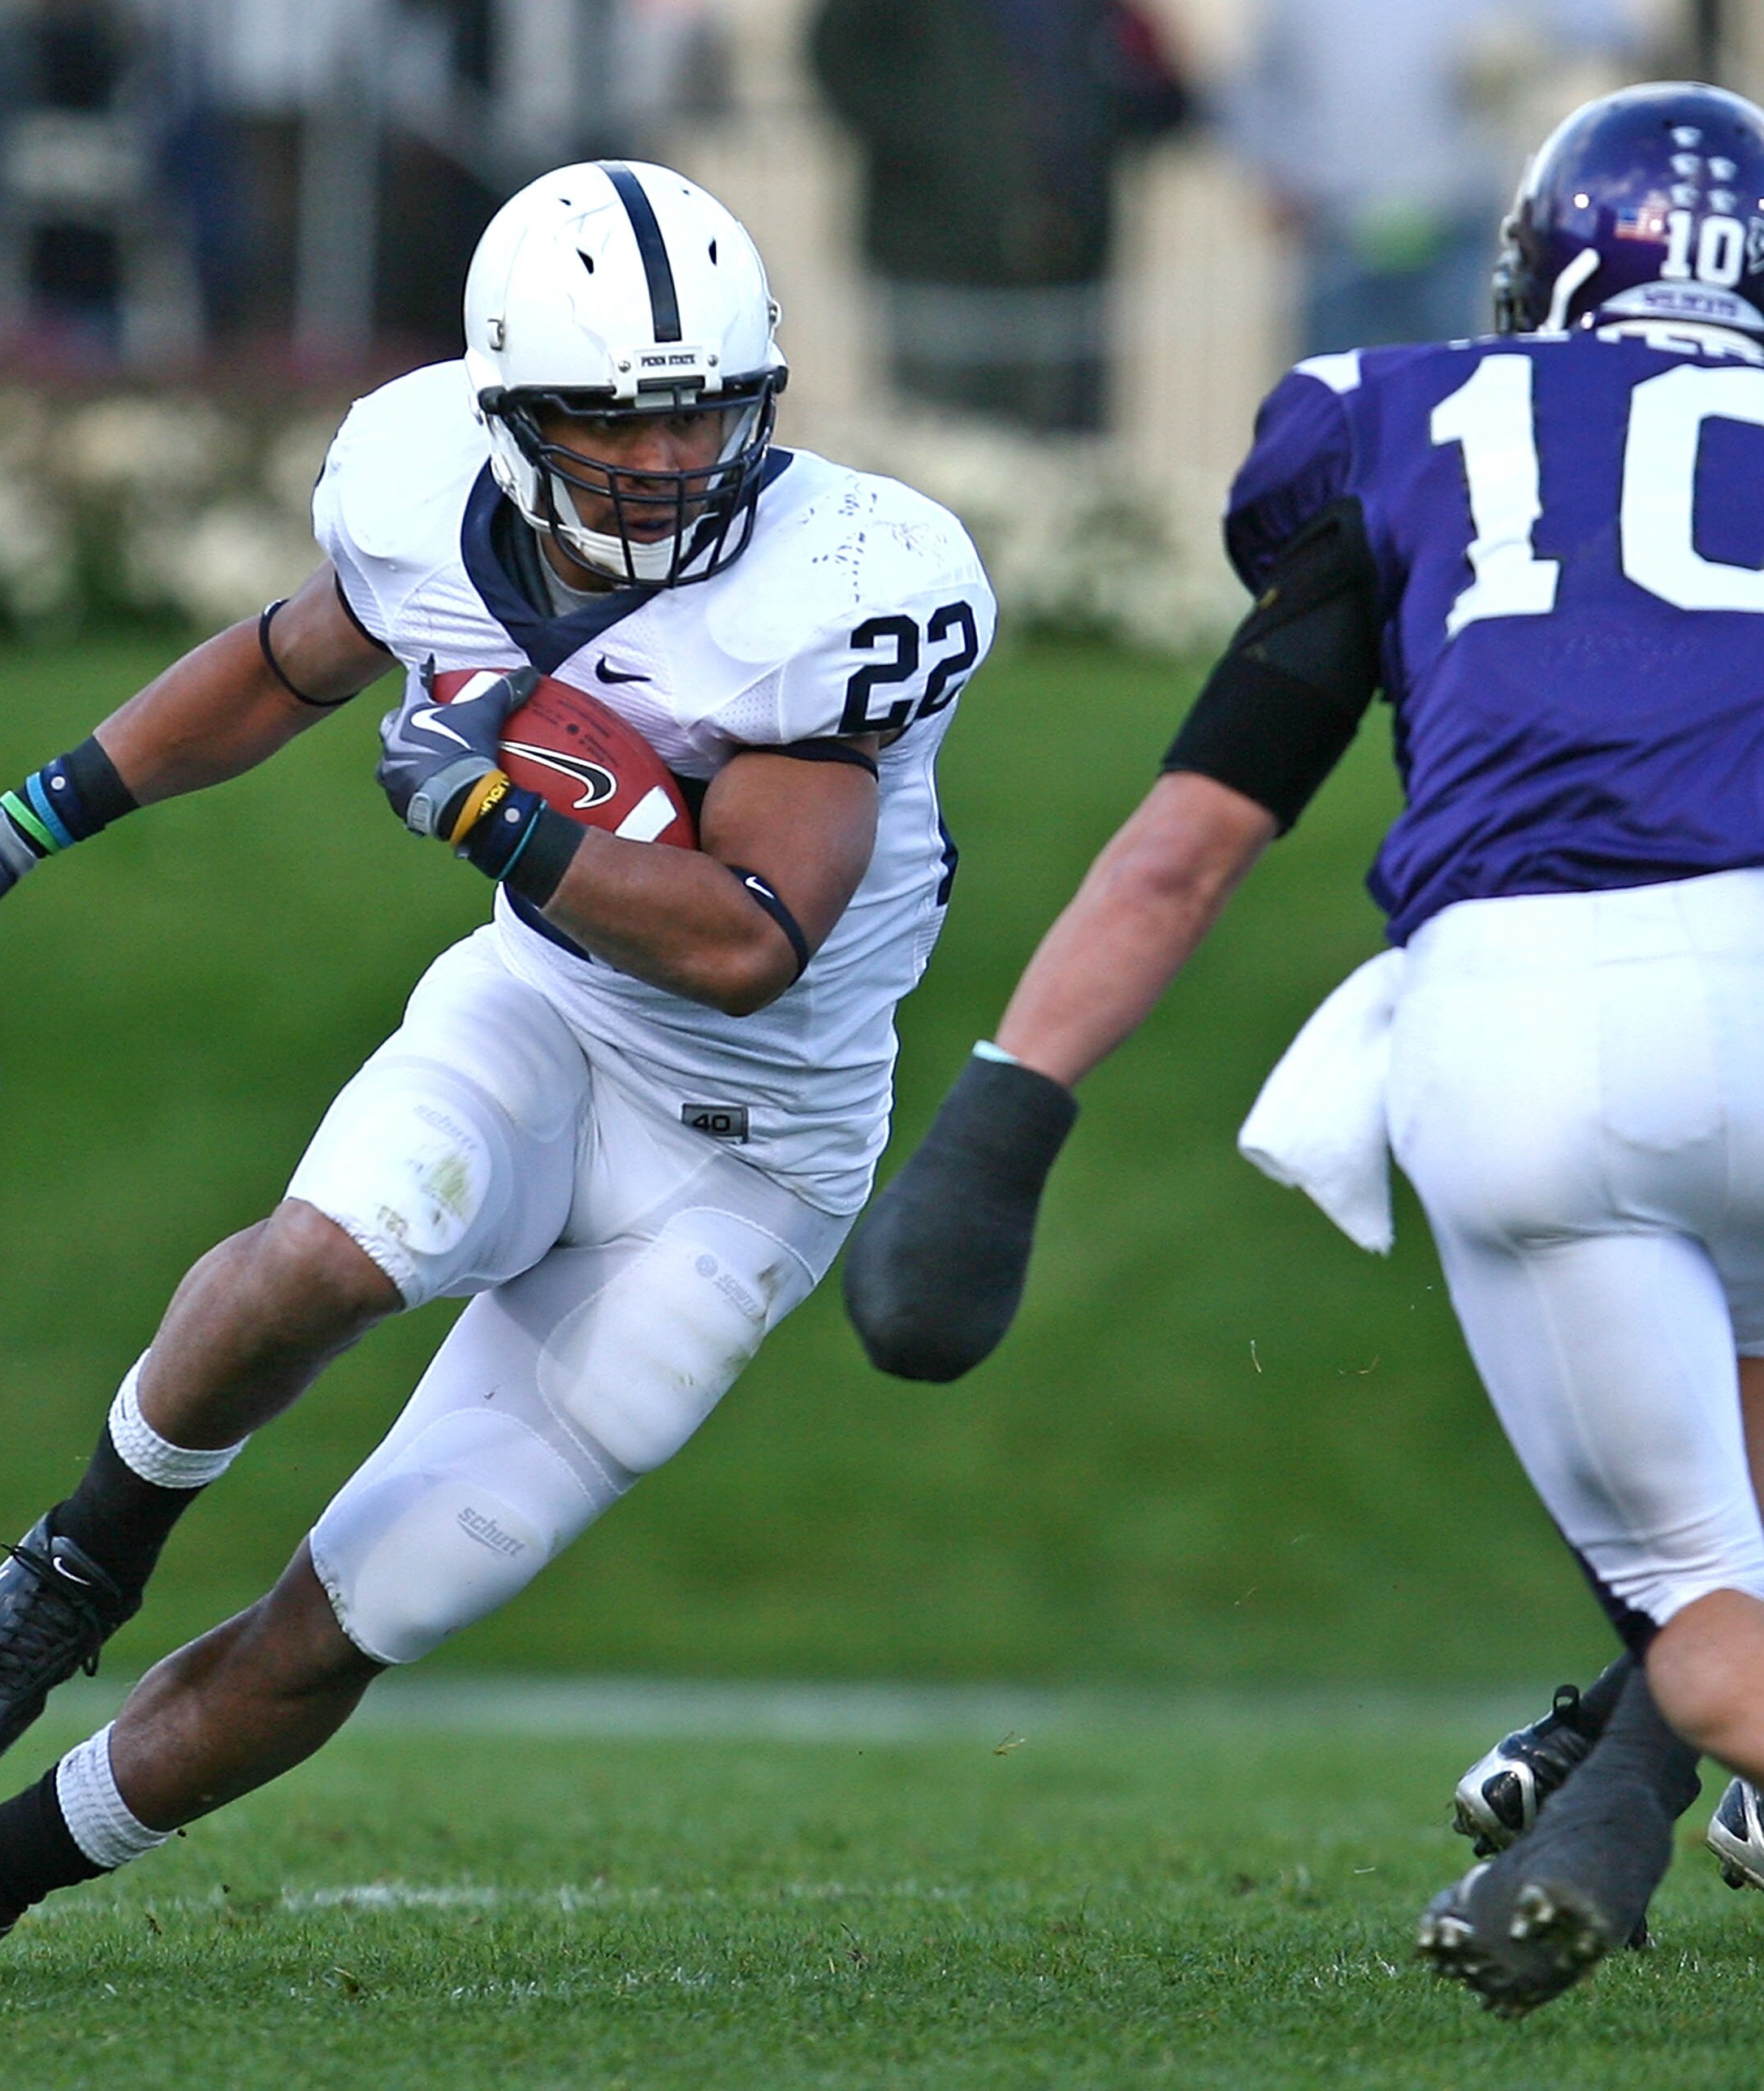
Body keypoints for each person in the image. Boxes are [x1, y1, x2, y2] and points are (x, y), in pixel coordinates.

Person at [0, 158, 992, 1984]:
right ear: (512, 415)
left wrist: (505, 820)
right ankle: (82, 1559)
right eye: (614, 421)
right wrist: (28, 817)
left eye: (698, 414)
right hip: (543, 1020)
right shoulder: (420, 481)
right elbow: (289, 663)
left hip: (751, 1156)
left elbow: (756, 936)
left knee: (376, 1599)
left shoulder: (845, 583)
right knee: (326, 1256)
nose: (668, 463)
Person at [843, 80, 1764, 2017]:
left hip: (1533, 1037)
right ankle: (1614, 1779)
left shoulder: (1406, 416)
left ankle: (1627, 1754)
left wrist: (997, 1122)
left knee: (1702, 1623)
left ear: (1536, 277)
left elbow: (1188, 846)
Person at [810, 0, 1186, 431]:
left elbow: (1135, 89)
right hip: (939, 252)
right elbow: (841, 56)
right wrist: (936, 147)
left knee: (1064, 451)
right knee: (944, 449)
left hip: (1067, 259)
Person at [1226, 0, 1634, 356]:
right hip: (1338, 230)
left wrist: (1526, 44)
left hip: (1453, 223)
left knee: (1446, 404)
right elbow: (1259, 87)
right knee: (1336, 412)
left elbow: (1608, 28)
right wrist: (1273, 172)